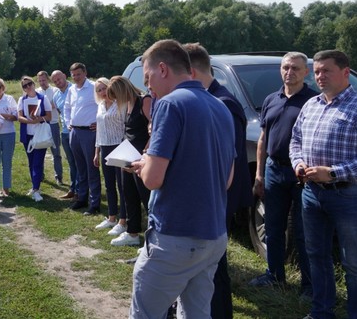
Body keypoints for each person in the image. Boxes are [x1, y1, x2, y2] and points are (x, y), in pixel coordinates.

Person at [128, 40, 234, 318]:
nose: (148, 87)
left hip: (175, 236)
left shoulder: (169, 104)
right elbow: (226, 179)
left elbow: (153, 180)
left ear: (163, 69)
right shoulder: (221, 106)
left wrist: (144, 166)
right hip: (213, 236)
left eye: (148, 77)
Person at [185, 42, 253, 319]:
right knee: (208, 264)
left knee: (214, 266)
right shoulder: (209, 99)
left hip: (218, 197)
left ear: (190, 72)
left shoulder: (222, 103)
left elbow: (227, 160)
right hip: (211, 196)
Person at [291, 50, 357, 319]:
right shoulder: (311, 104)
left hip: (348, 195)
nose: (319, 76)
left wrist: (332, 173)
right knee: (316, 255)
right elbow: (296, 140)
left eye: (326, 71)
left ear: (345, 72)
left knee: (354, 262)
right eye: (317, 71)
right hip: (311, 193)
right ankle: (321, 311)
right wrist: (298, 163)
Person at [249, 52, 315, 300]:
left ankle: (309, 285)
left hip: (302, 174)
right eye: (286, 67)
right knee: (273, 226)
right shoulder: (271, 99)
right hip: (274, 169)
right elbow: (262, 139)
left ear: (306, 72)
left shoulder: (313, 101)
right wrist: (259, 174)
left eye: (296, 68)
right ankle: (274, 275)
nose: (290, 72)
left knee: (303, 231)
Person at [106, 75, 151, 247]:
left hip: (142, 159)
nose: (117, 101)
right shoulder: (128, 104)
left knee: (146, 198)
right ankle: (132, 233)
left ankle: (152, 238)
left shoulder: (144, 101)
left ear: (123, 90)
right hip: (128, 158)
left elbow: (154, 130)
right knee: (129, 195)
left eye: (117, 96)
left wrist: (145, 153)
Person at [63, 62, 101, 215]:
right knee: (80, 168)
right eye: (73, 75)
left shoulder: (94, 87)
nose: (76, 77)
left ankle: (95, 203)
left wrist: (99, 122)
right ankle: (82, 198)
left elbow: (104, 104)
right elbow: (66, 108)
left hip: (89, 132)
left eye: (78, 74)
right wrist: (68, 123)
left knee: (92, 168)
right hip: (75, 132)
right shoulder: (72, 89)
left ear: (85, 73)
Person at [92, 77, 128, 234]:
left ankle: (123, 220)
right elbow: (99, 131)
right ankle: (111, 217)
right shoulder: (100, 105)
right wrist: (96, 152)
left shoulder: (120, 103)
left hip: (119, 146)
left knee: (122, 185)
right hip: (105, 146)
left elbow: (126, 126)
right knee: (109, 184)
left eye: (104, 88)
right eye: (99, 90)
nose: (102, 92)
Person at [17, 76, 52, 202]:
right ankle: (35, 186)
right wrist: (29, 121)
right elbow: (19, 117)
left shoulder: (43, 98)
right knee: (31, 162)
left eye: (29, 84)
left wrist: (39, 119)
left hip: (40, 135)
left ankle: (36, 190)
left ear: (33, 84)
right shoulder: (22, 99)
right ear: (23, 89)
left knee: (37, 162)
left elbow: (49, 116)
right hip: (27, 135)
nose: (28, 87)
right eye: (25, 86)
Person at [51, 70, 77, 200]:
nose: (58, 82)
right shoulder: (56, 95)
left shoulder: (75, 89)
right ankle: (74, 189)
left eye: (59, 79)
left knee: (80, 162)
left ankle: (82, 190)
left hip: (77, 131)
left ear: (65, 77)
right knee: (71, 161)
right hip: (65, 132)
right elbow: (60, 112)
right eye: (55, 81)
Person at [36, 71, 64, 185]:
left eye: (43, 80)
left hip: (53, 124)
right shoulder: (37, 92)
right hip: (41, 124)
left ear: (48, 79)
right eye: (40, 81)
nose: (42, 82)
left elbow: (56, 105)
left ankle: (59, 176)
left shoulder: (55, 90)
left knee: (56, 152)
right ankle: (40, 175)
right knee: (40, 150)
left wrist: (44, 106)